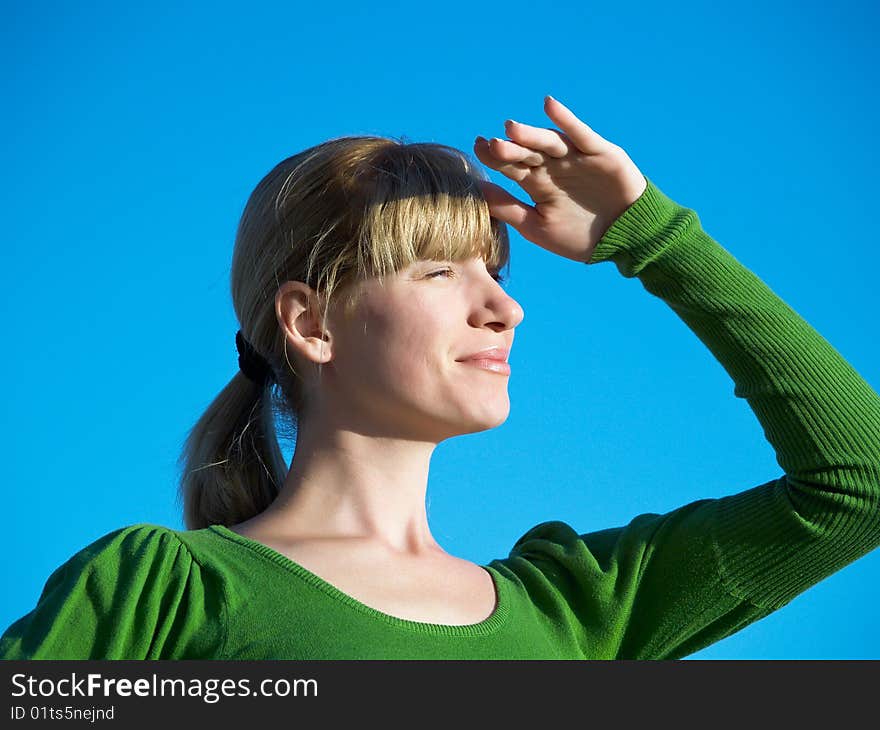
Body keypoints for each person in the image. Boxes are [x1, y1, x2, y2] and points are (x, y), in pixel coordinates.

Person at [2, 96, 878, 660]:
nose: (505, 309)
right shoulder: (160, 593)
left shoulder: (578, 611)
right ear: (312, 323)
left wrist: (649, 237)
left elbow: (860, 481)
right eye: (437, 272)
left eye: (497, 271)